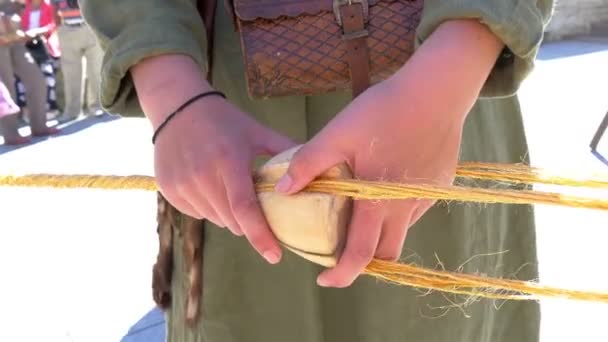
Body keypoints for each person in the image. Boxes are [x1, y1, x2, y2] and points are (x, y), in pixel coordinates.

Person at [81, 1, 554, 342]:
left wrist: (444, 82)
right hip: (226, 107)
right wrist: (171, 88)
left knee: (441, 319)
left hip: (437, 78)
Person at [0, 0, 58, 145]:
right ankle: (11, 134)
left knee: (36, 80)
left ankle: (39, 126)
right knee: (7, 89)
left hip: (16, 40)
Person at [52, 0, 102, 121]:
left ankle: (98, 106)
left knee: (96, 70)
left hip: (89, 27)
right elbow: (55, 8)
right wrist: (60, 29)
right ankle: (72, 112)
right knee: (71, 74)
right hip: (68, 30)